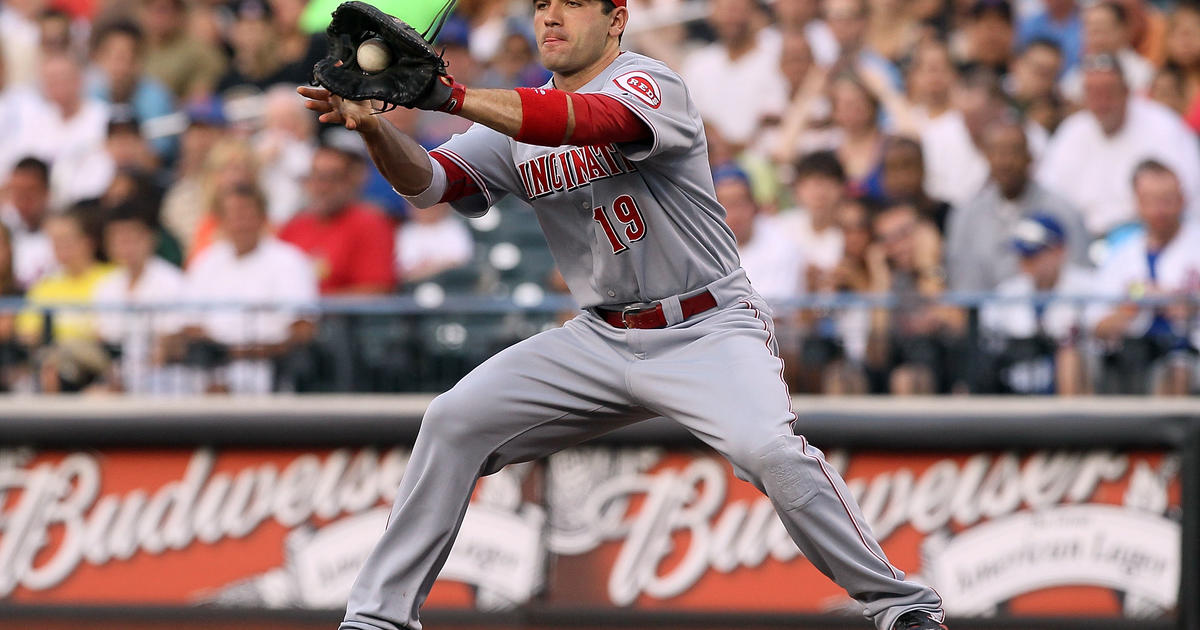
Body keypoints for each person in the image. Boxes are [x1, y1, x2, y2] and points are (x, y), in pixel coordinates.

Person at [298, 0, 947, 627]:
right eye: (543, 3)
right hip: (600, 337)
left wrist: (448, 97)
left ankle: (903, 607)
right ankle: (377, 619)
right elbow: (432, 184)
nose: (551, 16)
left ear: (616, 19)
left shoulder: (647, 81)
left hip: (705, 327)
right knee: (452, 421)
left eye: (574, 3)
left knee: (770, 450)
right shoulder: (516, 118)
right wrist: (377, 128)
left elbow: (586, 121)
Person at [171, 183, 318, 393]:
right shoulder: (206, 262)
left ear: (262, 217)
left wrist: (242, 353)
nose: (240, 223)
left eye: (246, 214)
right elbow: (189, 323)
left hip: (271, 369)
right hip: (211, 369)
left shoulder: (289, 260)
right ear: (220, 221)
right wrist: (221, 356)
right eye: (232, 215)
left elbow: (303, 329)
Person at [1037, 53, 1200, 237]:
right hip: (1079, 240)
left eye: (1109, 92)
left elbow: (1188, 193)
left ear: (1126, 91)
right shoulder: (1071, 131)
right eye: (1093, 93)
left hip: (1145, 236)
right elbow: (1048, 193)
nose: (1102, 102)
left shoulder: (1165, 126)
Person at [1088, 160, 1200, 395]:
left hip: (1189, 353)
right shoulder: (1122, 253)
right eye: (1150, 201)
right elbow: (1096, 324)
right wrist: (1134, 305)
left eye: (1166, 200)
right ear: (1137, 204)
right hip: (1132, 355)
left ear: (1182, 200)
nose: (1159, 210)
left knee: (1175, 369)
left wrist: (1181, 303)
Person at [946, 118, 1087, 292]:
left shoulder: (1063, 210)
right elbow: (962, 283)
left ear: (1030, 158)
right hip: (983, 313)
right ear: (986, 157)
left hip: (1053, 314)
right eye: (996, 152)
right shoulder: (967, 215)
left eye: (1013, 152)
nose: (1005, 162)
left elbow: (1079, 279)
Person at [978, 214, 1094, 394]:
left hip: (1073, 381)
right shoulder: (1008, 292)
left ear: (1059, 251)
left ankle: (1070, 421)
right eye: (1022, 256)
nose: (1026, 264)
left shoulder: (1088, 287)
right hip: (1015, 384)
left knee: (1069, 356)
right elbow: (988, 341)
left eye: (1033, 255)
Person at [92, 199, 188, 393]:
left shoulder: (173, 282)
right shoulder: (105, 287)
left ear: (151, 238)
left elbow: (171, 343)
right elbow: (103, 340)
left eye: (132, 238)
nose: (126, 246)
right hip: (118, 380)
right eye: (118, 239)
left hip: (165, 381)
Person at [278, 143, 396, 295]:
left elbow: (376, 291)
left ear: (350, 181)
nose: (321, 187)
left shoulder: (371, 224)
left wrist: (313, 303)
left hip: (344, 318)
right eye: (315, 177)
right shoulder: (294, 226)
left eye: (331, 178)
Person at [0, 156, 56, 289]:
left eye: (30, 191)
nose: (22, 199)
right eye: (16, 192)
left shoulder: (64, 233)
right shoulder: (5, 230)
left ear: (46, 192)